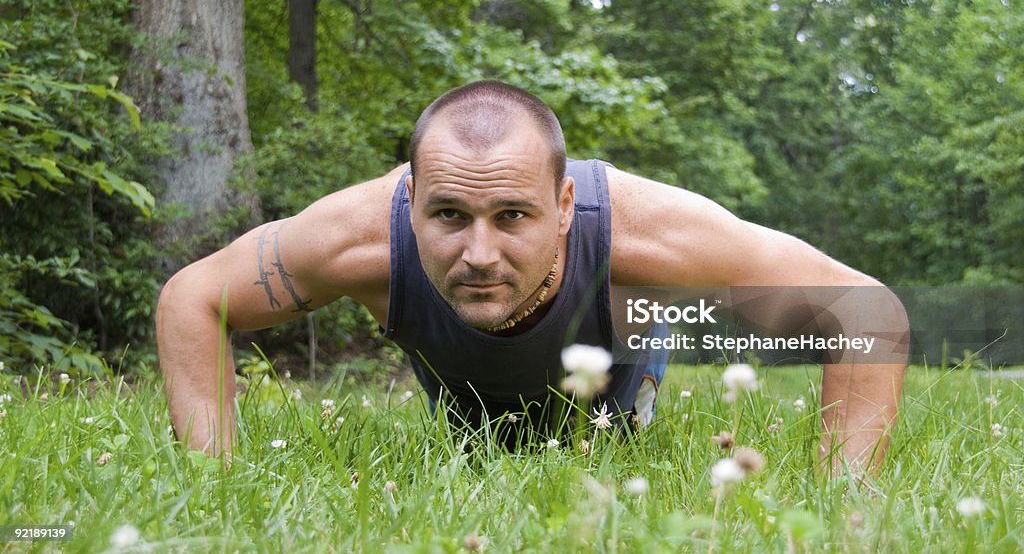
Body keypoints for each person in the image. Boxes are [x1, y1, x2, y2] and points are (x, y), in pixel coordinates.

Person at [156, 80, 908, 472]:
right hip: (466, 392)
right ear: (411, 202)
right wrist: (211, 480)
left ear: (563, 205)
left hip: (613, 362)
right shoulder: (355, 241)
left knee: (606, 449)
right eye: (449, 216)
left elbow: (865, 313)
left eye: (513, 216)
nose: (479, 253)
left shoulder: (646, 235)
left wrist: (847, 504)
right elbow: (192, 297)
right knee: (481, 452)